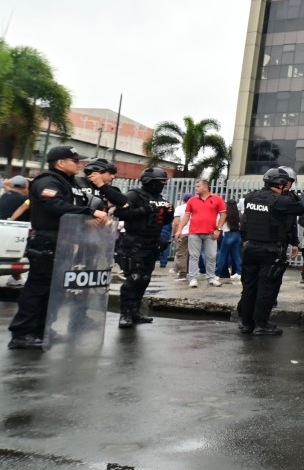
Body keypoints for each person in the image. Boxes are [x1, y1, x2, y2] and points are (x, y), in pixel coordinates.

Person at [7, 146, 110, 349]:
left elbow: (66, 210)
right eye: (74, 161)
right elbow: (54, 205)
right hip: (47, 240)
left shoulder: (66, 182)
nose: (79, 164)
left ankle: (43, 329)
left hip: (62, 240)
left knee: (53, 290)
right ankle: (22, 333)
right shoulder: (48, 181)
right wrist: (90, 213)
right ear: (60, 163)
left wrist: (86, 220)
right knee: (38, 288)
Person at [237, 167, 304, 336]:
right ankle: (261, 324)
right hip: (270, 250)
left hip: (250, 248)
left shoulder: (250, 197)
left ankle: (246, 323)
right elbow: (303, 207)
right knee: (266, 288)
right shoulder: (279, 201)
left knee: (249, 287)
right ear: (282, 184)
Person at [114, 167, 175, 328]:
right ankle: (125, 314)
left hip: (151, 243)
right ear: (149, 181)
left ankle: (135, 312)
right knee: (133, 278)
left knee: (144, 279)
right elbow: (121, 213)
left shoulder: (160, 198)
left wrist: (169, 212)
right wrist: (144, 209)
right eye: (160, 182)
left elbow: (164, 221)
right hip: (134, 243)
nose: (163, 185)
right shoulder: (134, 195)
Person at [180, 179, 226, 288]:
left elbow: (223, 215)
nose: (196, 188)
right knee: (194, 256)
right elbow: (186, 216)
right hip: (194, 232)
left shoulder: (217, 199)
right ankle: (193, 278)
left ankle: (211, 277)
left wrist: (218, 229)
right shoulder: (192, 200)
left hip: (211, 232)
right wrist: (179, 229)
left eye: (198, 186)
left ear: (205, 187)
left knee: (212, 256)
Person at [1, 176, 30, 288]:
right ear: (25, 187)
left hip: (4, 230)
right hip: (17, 232)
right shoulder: (25, 200)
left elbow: (5, 183)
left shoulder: (4, 196)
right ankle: (16, 278)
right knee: (16, 257)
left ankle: (16, 278)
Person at [216, 199, 242, 280]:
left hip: (228, 235)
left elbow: (219, 224)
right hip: (237, 235)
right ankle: (239, 272)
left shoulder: (225, 214)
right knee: (236, 255)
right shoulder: (238, 213)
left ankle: (217, 274)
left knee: (222, 255)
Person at [171, 194, 193, 281]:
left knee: (181, 253)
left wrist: (175, 233)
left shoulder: (179, 208)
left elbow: (176, 223)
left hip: (183, 233)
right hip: (194, 233)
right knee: (194, 254)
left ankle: (183, 274)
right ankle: (193, 272)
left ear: (183, 200)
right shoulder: (195, 208)